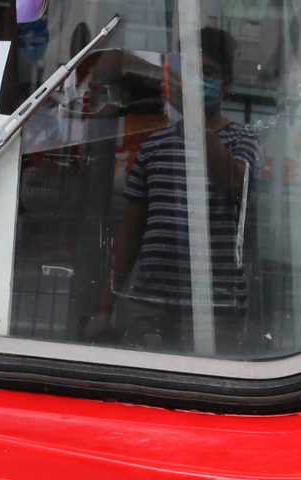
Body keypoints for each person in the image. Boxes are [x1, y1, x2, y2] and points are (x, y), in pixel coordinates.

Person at [88, 27, 260, 350]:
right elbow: (129, 234)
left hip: (217, 310)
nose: (199, 81)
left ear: (227, 85)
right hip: (149, 307)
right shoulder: (153, 147)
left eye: (208, 73)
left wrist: (194, 118)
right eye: (192, 72)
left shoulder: (243, 141)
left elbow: (233, 182)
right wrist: (104, 309)